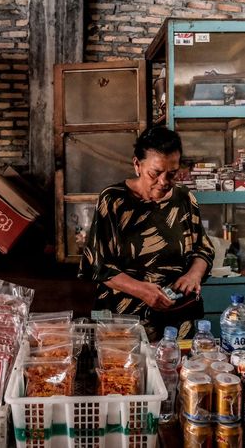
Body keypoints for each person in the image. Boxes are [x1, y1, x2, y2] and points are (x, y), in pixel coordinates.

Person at [79, 125, 214, 340]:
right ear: (137, 165)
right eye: (155, 173)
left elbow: (203, 249)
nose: (164, 182)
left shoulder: (184, 199)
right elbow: (98, 265)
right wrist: (143, 291)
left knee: (174, 370)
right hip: (124, 322)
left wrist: (193, 275)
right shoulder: (113, 200)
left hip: (177, 320)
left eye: (172, 173)